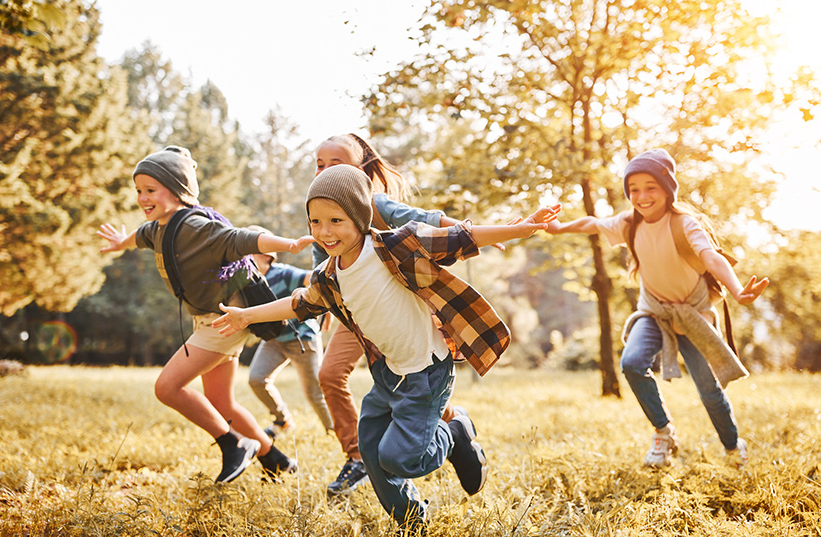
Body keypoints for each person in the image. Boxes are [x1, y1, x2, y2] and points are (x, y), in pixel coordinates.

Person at [213, 164, 561, 534]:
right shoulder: (329, 277)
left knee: (401, 458)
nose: (325, 232)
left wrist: (522, 228)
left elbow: (459, 237)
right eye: (315, 221)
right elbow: (299, 303)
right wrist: (246, 316)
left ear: (360, 217)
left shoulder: (396, 245)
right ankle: (412, 519)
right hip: (387, 373)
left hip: (427, 372)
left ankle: (455, 432)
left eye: (336, 220)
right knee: (372, 452)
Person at [96, 145, 314, 483]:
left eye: (151, 190)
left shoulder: (196, 225)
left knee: (167, 388)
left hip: (225, 318)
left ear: (178, 190)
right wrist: (120, 242)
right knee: (220, 402)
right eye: (139, 190)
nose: (142, 198)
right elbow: (138, 238)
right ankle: (276, 460)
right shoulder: (157, 228)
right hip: (210, 319)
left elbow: (240, 238)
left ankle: (233, 445)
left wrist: (288, 245)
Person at [545, 148, 769, 468]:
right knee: (633, 362)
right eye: (633, 189)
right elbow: (592, 223)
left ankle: (733, 446)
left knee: (708, 388)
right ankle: (664, 432)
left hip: (693, 314)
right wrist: (559, 228)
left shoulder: (684, 224)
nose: (641, 196)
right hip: (654, 311)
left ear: (667, 189)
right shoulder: (629, 224)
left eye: (650, 187)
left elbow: (711, 257)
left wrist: (737, 290)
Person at [311, 133, 489, 497]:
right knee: (330, 374)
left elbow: (423, 220)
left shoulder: (376, 204)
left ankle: (452, 429)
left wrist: (469, 231)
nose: (326, 170)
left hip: (398, 304)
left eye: (337, 163)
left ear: (361, 168)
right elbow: (321, 266)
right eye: (320, 164)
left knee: (415, 379)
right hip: (355, 312)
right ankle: (359, 457)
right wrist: (322, 307)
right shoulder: (321, 210)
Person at [244, 226, 334, 438]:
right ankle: (283, 421)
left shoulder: (283, 273)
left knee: (314, 394)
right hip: (274, 341)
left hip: (302, 340)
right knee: (257, 379)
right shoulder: (249, 282)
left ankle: (335, 431)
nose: (244, 258)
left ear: (266, 256)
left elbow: (311, 278)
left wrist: (326, 301)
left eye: (250, 253)